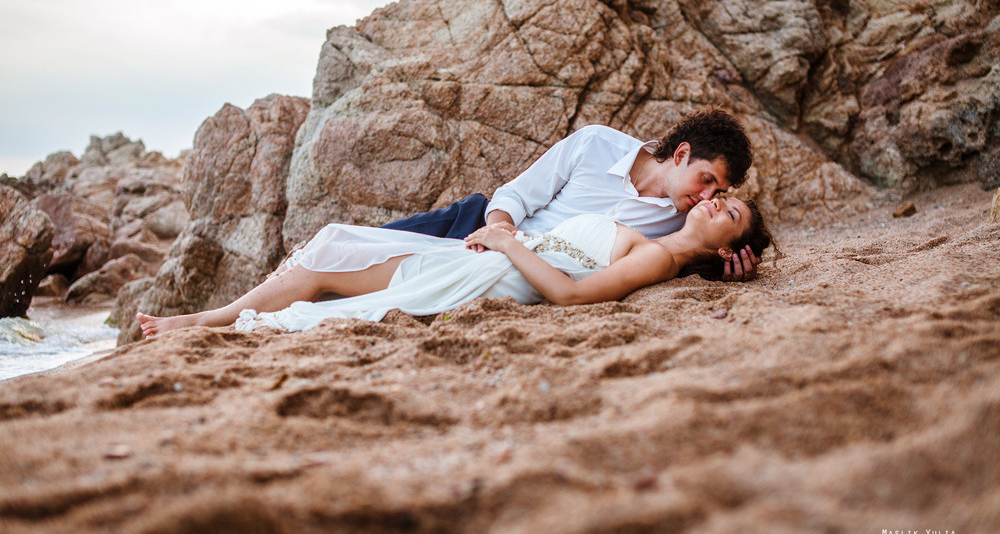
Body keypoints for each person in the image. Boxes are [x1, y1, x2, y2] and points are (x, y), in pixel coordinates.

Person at [136, 195, 772, 336]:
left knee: (329, 259)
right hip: (490, 257)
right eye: (718, 192)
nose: (718, 200)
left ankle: (205, 321)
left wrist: (508, 247)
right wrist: (504, 232)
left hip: (492, 275)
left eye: (730, 211)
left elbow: (574, 299)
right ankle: (212, 318)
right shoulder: (648, 229)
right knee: (331, 244)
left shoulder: (659, 257)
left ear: (725, 248)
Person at [381, 107, 761, 280]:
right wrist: (499, 233)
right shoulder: (595, 143)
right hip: (475, 223)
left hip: (521, 269)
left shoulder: (683, 222)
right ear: (681, 154)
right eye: (706, 179)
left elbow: (686, 255)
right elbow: (517, 194)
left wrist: (727, 270)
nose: (709, 196)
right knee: (355, 253)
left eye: (719, 192)